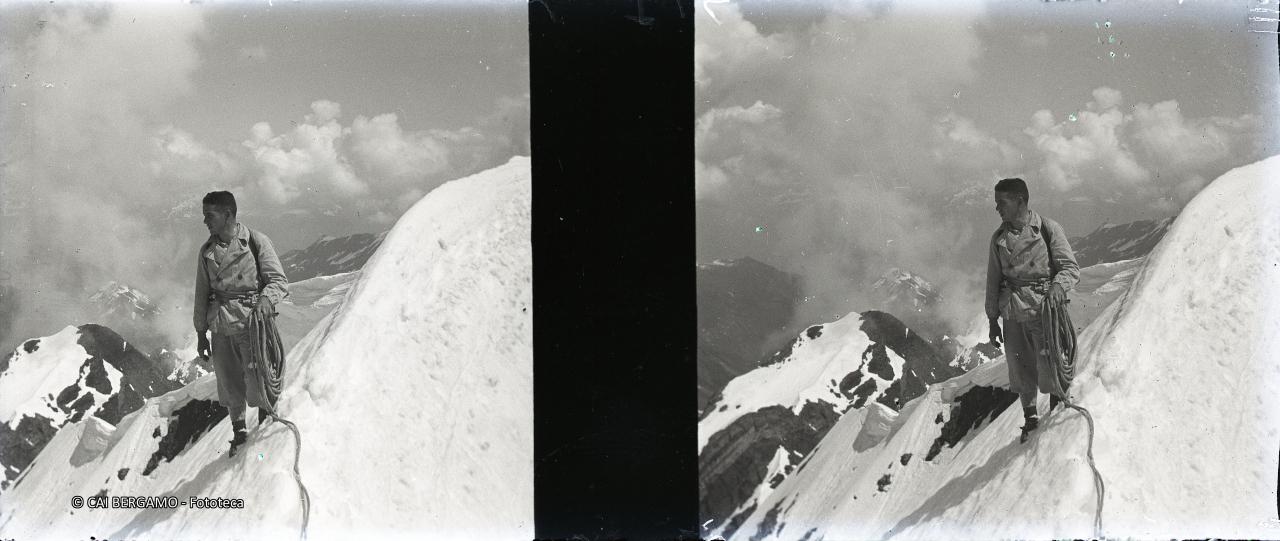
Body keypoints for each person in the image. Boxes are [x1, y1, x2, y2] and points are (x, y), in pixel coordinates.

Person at [194, 191, 290, 456]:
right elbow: (201, 293)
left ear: (227, 214)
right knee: (228, 382)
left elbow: (278, 281)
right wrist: (201, 333)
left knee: (258, 376)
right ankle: (239, 433)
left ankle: (265, 428)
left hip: (252, 324)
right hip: (220, 326)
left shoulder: (256, 242)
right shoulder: (207, 252)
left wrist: (266, 301)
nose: (205, 222)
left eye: (209, 216)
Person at [985, 178, 1079, 443]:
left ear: (1020, 201)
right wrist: (993, 319)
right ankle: (1030, 419)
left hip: (1043, 309)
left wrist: (1059, 286)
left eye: (1001, 203)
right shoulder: (998, 239)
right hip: (1013, 312)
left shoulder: (1047, 229)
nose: (997, 209)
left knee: (1050, 362)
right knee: (1019, 367)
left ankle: (1057, 413)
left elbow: (1069, 267)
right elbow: (993, 281)